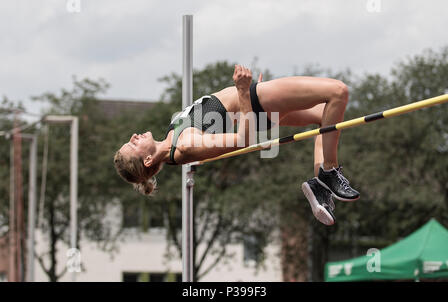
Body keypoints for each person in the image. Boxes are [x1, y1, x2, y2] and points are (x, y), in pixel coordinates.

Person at [114, 65, 360, 226]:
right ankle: (329, 171)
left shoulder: (172, 138)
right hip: (255, 102)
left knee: (326, 118)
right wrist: (243, 92)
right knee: (338, 91)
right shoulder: (185, 146)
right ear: (147, 160)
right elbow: (243, 140)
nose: (134, 136)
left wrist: (248, 96)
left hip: (256, 102)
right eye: (132, 144)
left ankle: (321, 184)